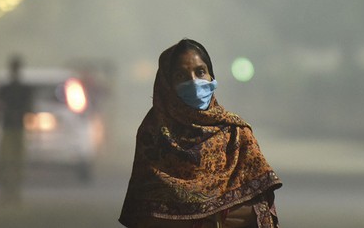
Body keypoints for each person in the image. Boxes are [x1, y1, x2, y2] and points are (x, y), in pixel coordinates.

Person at [119, 39, 282, 228]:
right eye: (182, 75)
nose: (194, 82)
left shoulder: (237, 134)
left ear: (211, 76)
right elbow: (144, 215)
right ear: (167, 84)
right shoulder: (153, 135)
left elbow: (259, 210)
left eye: (200, 72)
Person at [0, 55, 32, 204]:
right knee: (7, 162)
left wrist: (13, 113)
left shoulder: (18, 89)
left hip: (15, 128)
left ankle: (13, 194)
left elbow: (28, 108)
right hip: (10, 128)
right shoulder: (7, 89)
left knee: (15, 163)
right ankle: (7, 194)